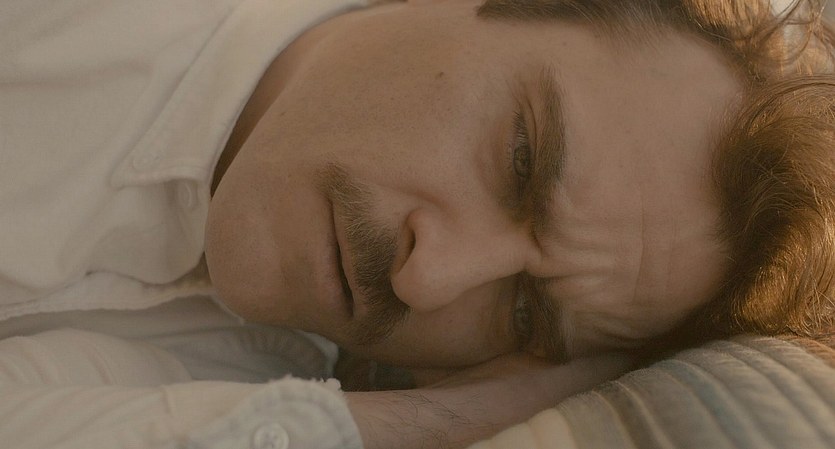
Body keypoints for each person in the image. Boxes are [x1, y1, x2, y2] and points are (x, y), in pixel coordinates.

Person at [0, 0, 832, 448]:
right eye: (519, 161)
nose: (426, 277)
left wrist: (445, 422)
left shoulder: (262, 375)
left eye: (523, 311)